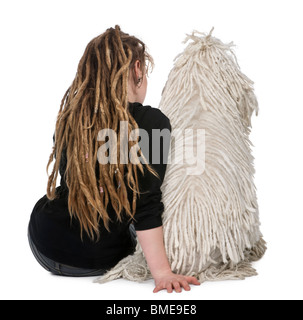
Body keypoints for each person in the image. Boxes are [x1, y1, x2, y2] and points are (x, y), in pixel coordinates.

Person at [28, 25, 201, 293]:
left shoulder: (72, 118)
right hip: (95, 257)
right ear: (136, 70)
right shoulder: (150, 122)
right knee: (127, 227)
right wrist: (163, 273)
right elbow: (146, 203)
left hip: (43, 245)